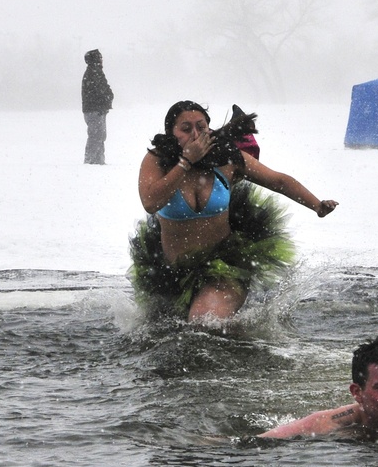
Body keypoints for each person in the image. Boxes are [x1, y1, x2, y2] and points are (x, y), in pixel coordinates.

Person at [129, 100, 337, 321]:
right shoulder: (157, 160)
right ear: (172, 132)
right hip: (171, 272)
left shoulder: (226, 158)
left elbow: (278, 181)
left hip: (224, 267)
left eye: (201, 127)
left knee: (203, 321)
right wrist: (185, 162)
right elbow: (150, 202)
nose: (196, 134)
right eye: (186, 129)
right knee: (165, 334)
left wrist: (317, 205)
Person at [81, 49, 114, 164]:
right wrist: (106, 98)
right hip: (94, 110)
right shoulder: (93, 73)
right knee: (96, 136)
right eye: (100, 58)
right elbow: (100, 91)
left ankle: (98, 161)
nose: (101, 60)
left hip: (97, 110)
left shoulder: (96, 72)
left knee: (99, 136)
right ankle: (91, 161)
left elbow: (103, 89)